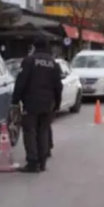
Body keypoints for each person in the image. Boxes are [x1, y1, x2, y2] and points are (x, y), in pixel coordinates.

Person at [11, 38, 62, 173]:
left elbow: (21, 82)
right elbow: (58, 86)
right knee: (43, 131)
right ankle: (42, 161)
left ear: (34, 47)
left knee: (30, 132)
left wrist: (15, 100)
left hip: (31, 102)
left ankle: (33, 162)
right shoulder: (53, 63)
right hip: (47, 103)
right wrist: (57, 103)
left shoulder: (29, 61)